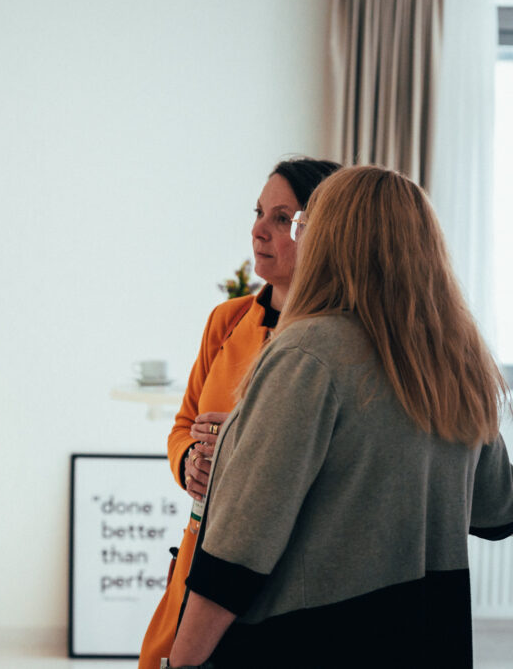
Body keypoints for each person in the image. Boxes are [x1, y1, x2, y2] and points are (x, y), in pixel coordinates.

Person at [169, 166, 513, 668]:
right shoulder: (455, 359)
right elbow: (498, 509)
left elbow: (239, 550)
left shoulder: (308, 352)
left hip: (313, 641)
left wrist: (180, 661)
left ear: (332, 240)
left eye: (300, 223)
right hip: (430, 638)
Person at [138, 157, 339, 669]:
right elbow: (182, 426)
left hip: (282, 573)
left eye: (281, 218)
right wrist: (189, 461)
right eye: (258, 213)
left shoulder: (333, 343)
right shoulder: (227, 321)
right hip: (201, 547)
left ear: (324, 232)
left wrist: (243, 445)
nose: (258, 230)